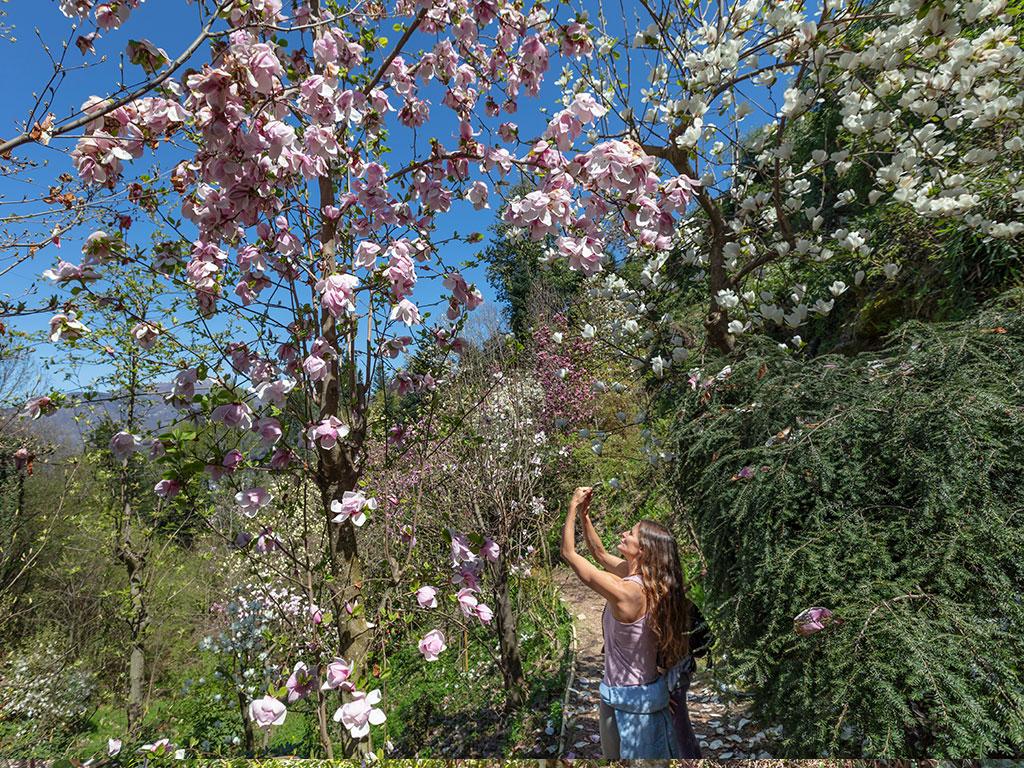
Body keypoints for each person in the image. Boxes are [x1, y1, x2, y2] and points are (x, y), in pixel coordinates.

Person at [560, 486, 701, 759]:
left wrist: (573, 506)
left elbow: (569, 554)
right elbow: (600, 554)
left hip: (630, 702)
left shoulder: (629, 593)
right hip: (626, 693)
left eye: (631, 533)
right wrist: (585, 517)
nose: (624, 533)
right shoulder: (650, 581)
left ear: (643, 549)